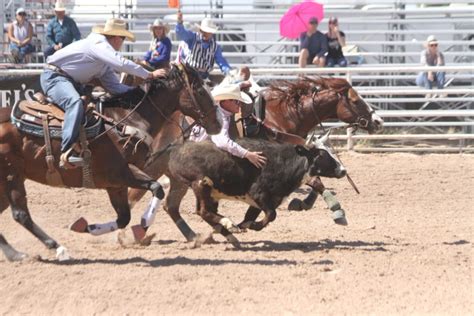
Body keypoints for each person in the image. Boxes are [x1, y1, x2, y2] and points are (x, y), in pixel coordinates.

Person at [41, 18, 167, 168]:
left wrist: (139, 92)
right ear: (116, 37)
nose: (123, 42)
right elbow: (121, 63)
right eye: (123, 38)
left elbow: (115, 88)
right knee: (74, 102)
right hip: (55, 77)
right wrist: (149, 75)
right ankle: (66, 151)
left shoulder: (102, 57)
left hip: (69, 81)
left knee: (95, 103)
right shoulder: (99, 43)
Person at [190, 84, 267, 168]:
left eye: (240, 102)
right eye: (236, 101)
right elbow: (222, 142)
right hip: (199, 157)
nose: (240, 105)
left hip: (199, 152)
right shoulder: (220, 117)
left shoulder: (220, 113)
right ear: (225, 101)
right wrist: (247, 154)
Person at [176, 11, 231, 79]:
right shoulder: (193, 37)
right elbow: (181, 34)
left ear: (211, 33)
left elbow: (222, 62)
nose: (205, 33)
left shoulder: (215, 47)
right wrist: (179, 23)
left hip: (204, 76)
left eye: (207, 31)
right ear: (201, 30)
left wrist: (228, 72)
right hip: (189, 73)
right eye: (204, 31)